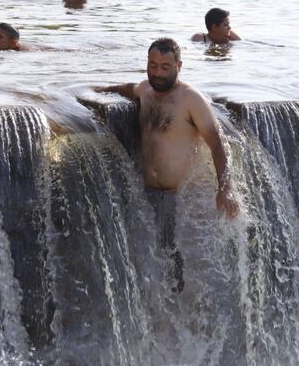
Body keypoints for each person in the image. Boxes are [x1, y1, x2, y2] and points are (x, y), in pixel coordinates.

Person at [96, 38, 240, 290]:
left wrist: (225, 188)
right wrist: (90, 90)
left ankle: (184, 316)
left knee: (176, 266)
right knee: (150, 263)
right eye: (152, 65)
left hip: (181, 198)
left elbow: (217, 144)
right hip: (147, 195)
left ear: (179, 66)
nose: (157, 73)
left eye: (165, 66)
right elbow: (123, 88)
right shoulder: (145, 91)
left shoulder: (191, 99)